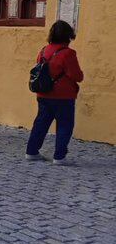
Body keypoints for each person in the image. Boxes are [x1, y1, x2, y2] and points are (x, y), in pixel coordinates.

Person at [26, 20, 84, 165]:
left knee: (41, 123)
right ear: (68, 36)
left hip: (44, 93)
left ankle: (32, 151)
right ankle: (59, 156)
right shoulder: (68, 53)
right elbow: (77, 76)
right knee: (65, 125)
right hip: (63, 95)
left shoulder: (44, 50)